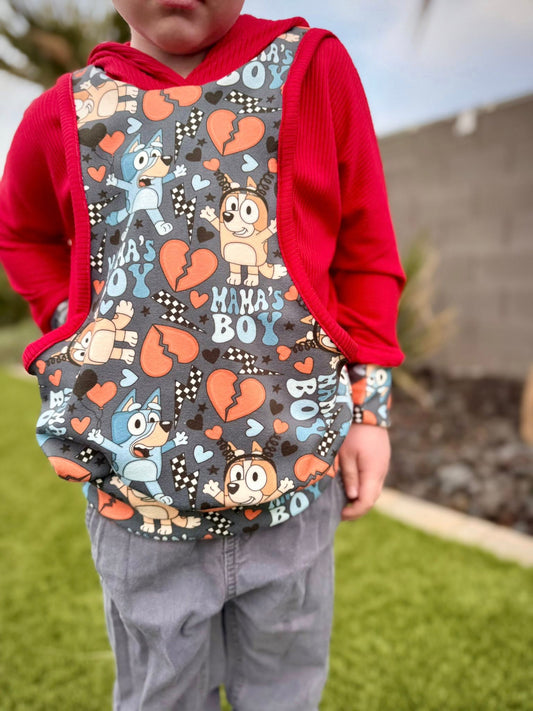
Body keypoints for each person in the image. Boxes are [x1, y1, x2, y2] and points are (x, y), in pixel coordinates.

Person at [0, 1, 407, 708]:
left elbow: (363, 244)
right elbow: (22, 235)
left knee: (284, 693)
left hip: (293, 485)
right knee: (158, 695)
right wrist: (75, 329)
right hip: (139, 504)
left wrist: (368, 408)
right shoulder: (63, 114)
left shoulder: (312, 70)